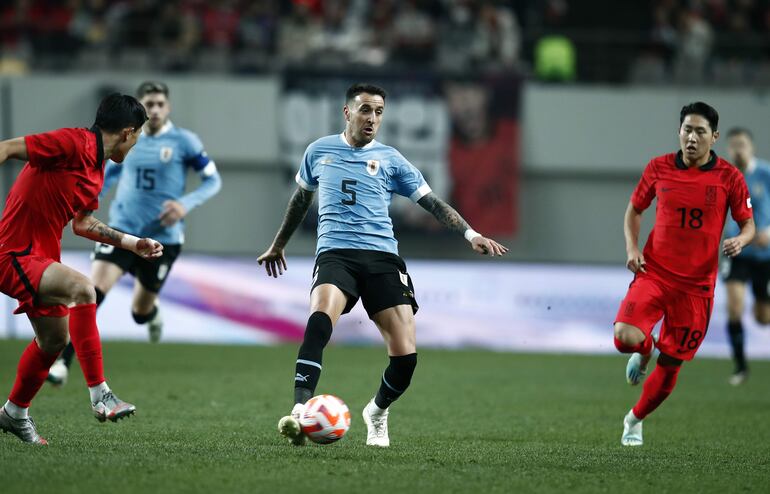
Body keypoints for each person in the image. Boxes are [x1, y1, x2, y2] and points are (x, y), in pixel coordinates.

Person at [257, 83, 508, 448]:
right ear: (347, 112)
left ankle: (376, 411)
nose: (372, 118)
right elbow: (300, 200)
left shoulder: (391, 159)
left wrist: (471, 234)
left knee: (406, 359)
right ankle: (299, 410)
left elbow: (433, 204)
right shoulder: (318, 151)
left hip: (382, 258)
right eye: (365, 110)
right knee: (319, 319)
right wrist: (278, 244)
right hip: (336, 253)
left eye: (378, 112)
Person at [0, 93, 163, 445]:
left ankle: (14, 413)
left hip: (41, 258)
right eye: (137, 137)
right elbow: (7, 148)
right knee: (83, 288)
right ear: (128, 132)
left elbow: (83, 223)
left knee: (54, 340)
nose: (135, 144)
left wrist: (133, 243)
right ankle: (100, 394)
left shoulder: (96, 168)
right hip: (13, 253)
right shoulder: (71, 143)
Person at [47, 81, 222, 386]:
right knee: (93, 292)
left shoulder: (185, 142)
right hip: (122, 230)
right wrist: (85, 201)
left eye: (160, 104)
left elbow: (212, 181)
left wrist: (184, 204)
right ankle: (62, 362)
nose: (154, 109)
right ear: (141, 107)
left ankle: (150, 314)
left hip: (163, 240)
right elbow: (107, 175)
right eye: (149, 104)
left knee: (139, 312)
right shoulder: (129, 139)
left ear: (168, 107)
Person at [613, 102, 755, 447]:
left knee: (672, 363)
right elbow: (634, 209)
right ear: (679, 132)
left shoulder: (729, 177)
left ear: (714, 137)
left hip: (696, 288)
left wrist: (740, 239)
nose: (692, 138)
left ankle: (634, 420)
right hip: (654, 273)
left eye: (700, 132)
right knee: (623, 338)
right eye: (687, 130)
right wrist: (632, 249)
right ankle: (645, 349)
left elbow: (748, 224)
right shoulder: (658, 167)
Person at [721, 127, 770, 386]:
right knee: (734, 306)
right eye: (733, 145)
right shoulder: (725, 177)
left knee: (763, 318)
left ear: (751, 147)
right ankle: (740, 366)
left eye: (742, 144)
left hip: (765, 254)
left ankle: (761, 300)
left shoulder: (765, 173)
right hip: (737, 250)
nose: (738, 150)